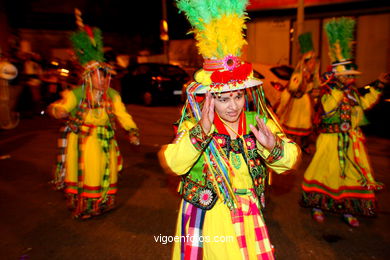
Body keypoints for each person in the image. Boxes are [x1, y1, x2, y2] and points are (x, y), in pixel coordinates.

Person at [159, 1, 300, 258]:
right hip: (210, 214)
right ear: (208, 98)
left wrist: (273, 146)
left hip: (249, 211)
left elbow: (289, 162)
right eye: (223, 99)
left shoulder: (257, 122)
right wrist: (201, 131)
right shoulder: (195, 125)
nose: (233, 106)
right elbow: (174, 162)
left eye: (237, 96)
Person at [49, 9, 140, 219]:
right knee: (87, 173)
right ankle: (84, 206)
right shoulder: (78, 93)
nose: (103, 80)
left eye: (105, 75)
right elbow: (59, 107)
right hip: (81, 142)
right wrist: (59, 111)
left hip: (104, 140)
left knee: (103, 173)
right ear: (89, 77)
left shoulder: (112, 95)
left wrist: (132, 129)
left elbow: (122, 114)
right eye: (99, 76)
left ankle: (102, 202)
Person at [301, 17, 386, 227]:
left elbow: (364, 104)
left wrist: (378, 86)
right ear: (338, 78)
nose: (350, 79)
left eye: (350, 76)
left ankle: (348, 209)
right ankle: (317, 206)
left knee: (351, 175)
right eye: (347, 76)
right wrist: (337, 87)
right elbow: (329, 107)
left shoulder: (353, 94)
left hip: (351, 142)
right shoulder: (330, 93)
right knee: (325, 172)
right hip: (329, 142)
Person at [276, 32, 321, 153]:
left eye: (313, 62)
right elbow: (293, 87)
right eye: (310, 62)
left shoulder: (311, 75)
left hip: (305, 104)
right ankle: (290, 147)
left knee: (305, 126)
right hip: (296, 104)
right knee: (293, 126)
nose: (312, 65)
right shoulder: (298, 74)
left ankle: (301, 145)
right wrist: (303, 88)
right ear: (305, 63)